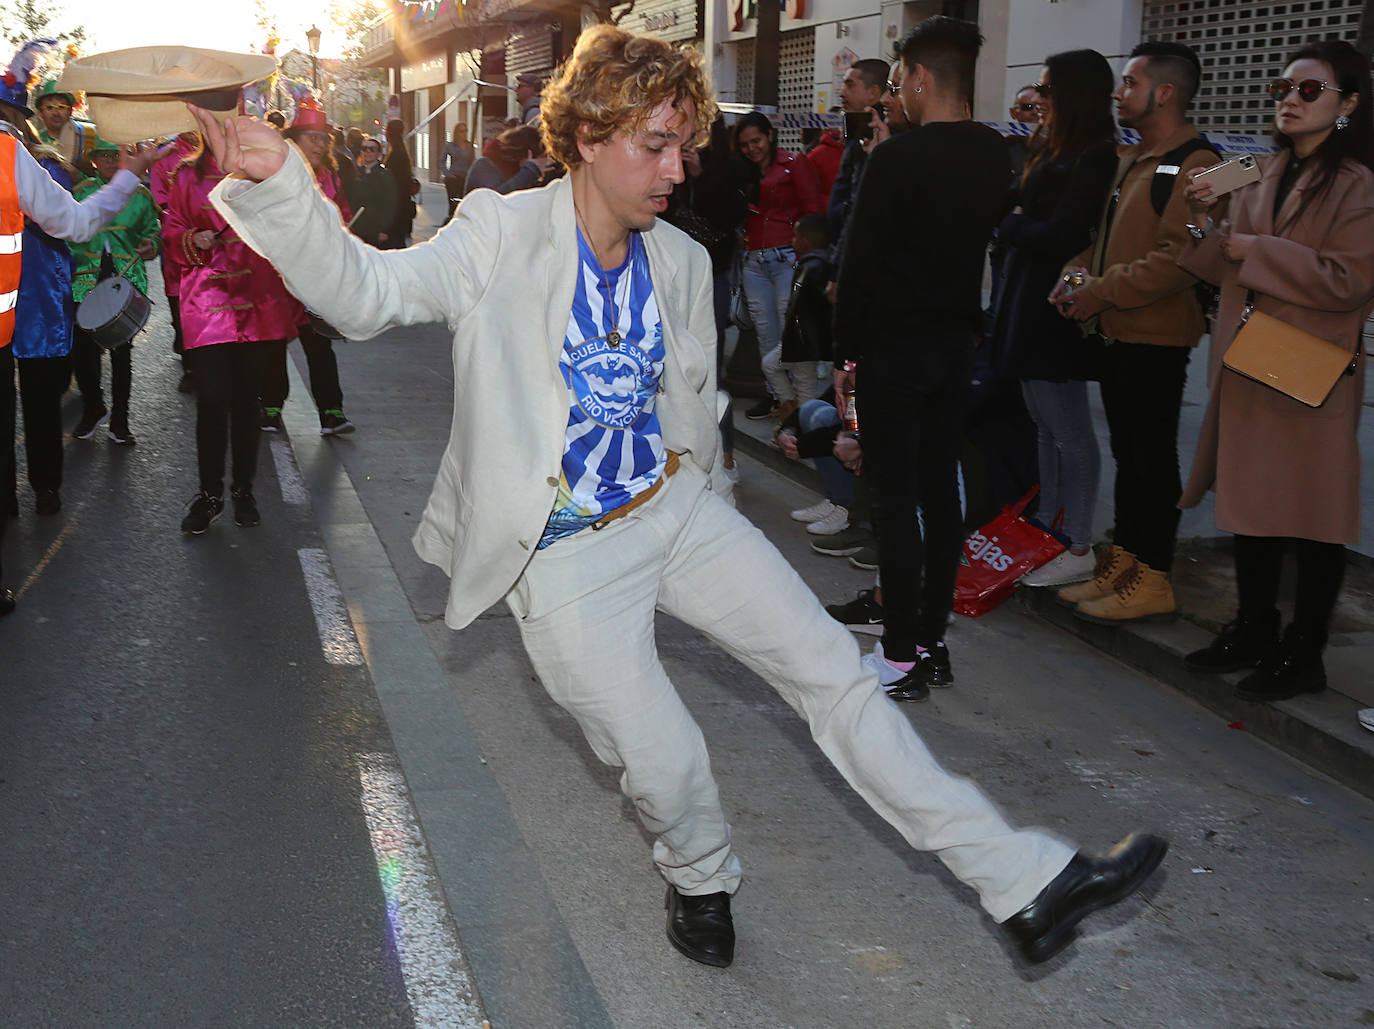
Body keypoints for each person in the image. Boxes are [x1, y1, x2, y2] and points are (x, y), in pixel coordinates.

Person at [196, 22, 1166, 971]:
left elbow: (690, 406)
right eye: (654, 145)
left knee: (837, 675)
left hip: (675, 508)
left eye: (684, 147)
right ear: (586, 136)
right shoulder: (500, 233)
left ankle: (1028, 887)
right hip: (565, 552)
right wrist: (280, 186)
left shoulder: (683, 260)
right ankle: (699, 873)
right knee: (668, 766)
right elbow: (365, 296)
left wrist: (717, 498)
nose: (676, 170)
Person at [1178, 39, 1374, 703]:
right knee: (1251, 508)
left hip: (1310, 371)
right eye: (1282, 88)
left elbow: (1348, 280)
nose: (1289, 99)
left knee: (1312, 518)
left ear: (1347, 104)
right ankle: (1253, 627)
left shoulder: (1358, 186)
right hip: (1248, 361)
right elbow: (1210, 261)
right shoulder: (1251, 169)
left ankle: (1305, 650)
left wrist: (1251, 247)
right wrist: (1202, 223)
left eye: (1309, 90)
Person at [834, 18, 1006, 697]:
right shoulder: (995, 153)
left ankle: (898, 651)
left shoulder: (896, 159)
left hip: (894, 348)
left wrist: (845, 356)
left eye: (901, 78)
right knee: (940, 496)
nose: (897, 91)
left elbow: (860, 264)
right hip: (952, 348)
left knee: (897, 500)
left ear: (923, 78)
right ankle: (930, 642)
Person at [1051, 41, 1221, 622]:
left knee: (1150, 460)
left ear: (1164, 92)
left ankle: (1153, 577)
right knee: (1130, 455)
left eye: (1129, 83)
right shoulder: (1135, 157)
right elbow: (1101, 242)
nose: (1118, 94)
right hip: (1119, 330)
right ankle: (1125, 563)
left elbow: (1181, 259)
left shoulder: (1201, 165)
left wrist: (1098, 289)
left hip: (1158, 335)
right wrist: (1076, 273)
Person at [0, 38, 156, 616]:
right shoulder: (14, 156)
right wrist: (131, 177)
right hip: (31, 309)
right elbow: (76, 223)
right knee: (34, 406)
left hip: (32, 306)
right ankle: (41, 489)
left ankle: (36, 491)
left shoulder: (36, 159)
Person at [989, 50, 1118, 588]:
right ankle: (1049, 525)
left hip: (1057, 305)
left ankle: (1079, 540)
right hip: (1024, 295)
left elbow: (1065, 230)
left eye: (1046, 87)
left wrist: (1015, 226)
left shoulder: (1096, 153)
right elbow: (1013, 209)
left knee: (1069, 429)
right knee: (1043, 425)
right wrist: (1015, 221)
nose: (1037, 98)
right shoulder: (1051, 145)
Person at [162, 140, 302, 533]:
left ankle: (243, 490)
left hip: (258, 300)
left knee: (246, 402)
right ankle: (209, 496)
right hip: (207, 303)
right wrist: (192, 238)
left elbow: (287, 227)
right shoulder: (186, 176)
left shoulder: (262, 170)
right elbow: (171, 231)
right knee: (210, 399)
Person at [261, 102, 356, 436]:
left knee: (319, 346)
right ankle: (270, 409)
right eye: (312, 137)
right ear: (294, 141)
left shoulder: (330, 178)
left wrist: (343, 233)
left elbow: (341, 213)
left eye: (323, 138)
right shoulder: (273, 175)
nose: (319, 144)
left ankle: (332, 412)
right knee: (273, 345)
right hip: (278, 278)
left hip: (315, 277)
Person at [69, 137, 162, 446]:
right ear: (93, 160)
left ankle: (121, 418)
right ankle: (93, 406)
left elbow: (156, 229)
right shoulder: (80, 194)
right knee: (84, 353)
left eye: (115, 155)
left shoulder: (140, 195)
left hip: (126, 280)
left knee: (122, 354)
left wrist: (153, 246)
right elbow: (67, 234)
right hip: (85, 282)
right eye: (103, 156)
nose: (110, 160)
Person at [734, 112, 824, 421]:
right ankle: (780, 400)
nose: (751, 148)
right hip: (753, 261)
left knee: (793, 336)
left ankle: (804, 402)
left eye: (756, 140)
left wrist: (808, 258)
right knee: (766, 336)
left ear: (770, 135)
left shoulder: (795, 163)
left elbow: (813, 211)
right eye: (745, 144)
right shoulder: (743, 173)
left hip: (788, 257)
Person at [150, 131, 200, 393]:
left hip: (218, 247)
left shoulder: (221, 152)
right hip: (179, 246)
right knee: (181, 304)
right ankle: (190, 363)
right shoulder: (165, 158)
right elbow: (161, 200)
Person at [461, 124, 552, 197]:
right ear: (526, 154)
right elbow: (495, 198)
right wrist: (529, 171)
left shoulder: (522, 175)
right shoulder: (484, 165)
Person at [33, 78, 95, 177]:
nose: (56, 113)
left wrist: (77, 176)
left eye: (61, 107)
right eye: (49, 108)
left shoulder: (88, 137)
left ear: (70, 112)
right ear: (41, 114)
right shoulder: (35, 142)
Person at [346, 136, 397, 248]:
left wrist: (384, 230)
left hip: (375, 228)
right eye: (364, 148)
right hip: (358, 228)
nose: (368, 152)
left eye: (372, 149)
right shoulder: (357, 173)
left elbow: (390, 204)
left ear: (379, 153)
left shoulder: (385, 175)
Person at [383, 118, 414, 248]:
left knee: (395, 242)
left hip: (396, 206)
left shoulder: (396, 153)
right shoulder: (401, 151)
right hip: (402, 204)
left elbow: (392, 181)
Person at [441, 123, 475, 223]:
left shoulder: (470, 146)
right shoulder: (450, 146)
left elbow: (473, 161)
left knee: (464, 203)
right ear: (456, 133)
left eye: (466, 131)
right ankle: (451, 223)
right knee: (453, 204)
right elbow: (441, 160)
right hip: (453, 178)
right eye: (461, 131)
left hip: (465, 178)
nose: (464, 133)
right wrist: (447, 174)